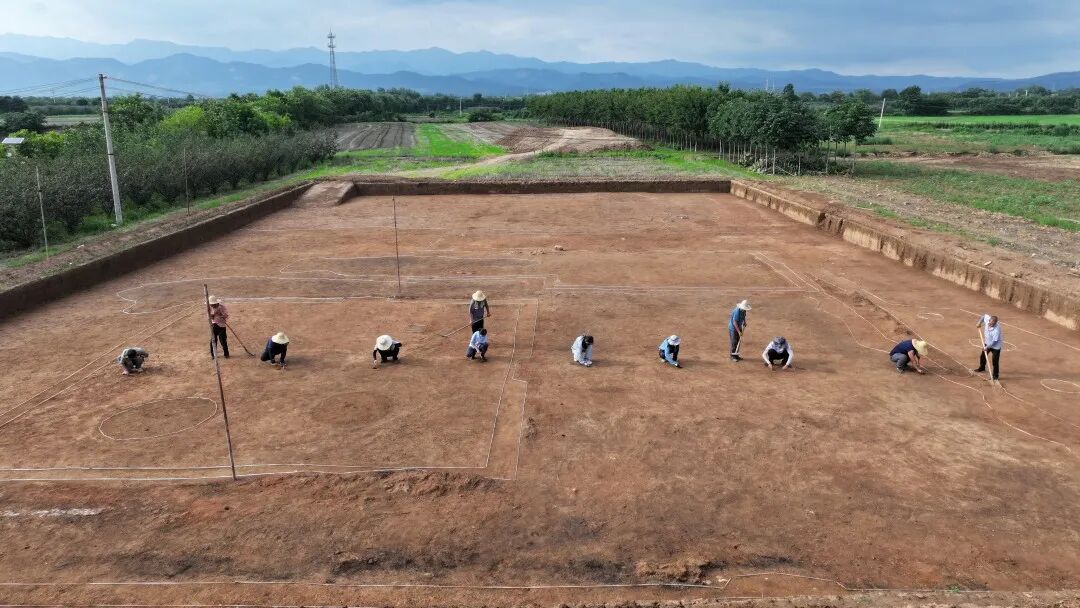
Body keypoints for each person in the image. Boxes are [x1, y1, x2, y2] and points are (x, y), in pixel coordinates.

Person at [974, 314, 1002, 381]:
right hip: (987, 343)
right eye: (990, 323)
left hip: (996, 346)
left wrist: (987, 347)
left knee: (995, 361)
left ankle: (995, 376)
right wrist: (979, 322)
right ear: (989, 320)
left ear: (996, 323)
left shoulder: (996, 330)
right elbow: (984, 316)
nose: (991, 324)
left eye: (993, 324)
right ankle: (982, 367)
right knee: (983, 356)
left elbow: (994, 342)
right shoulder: (987, 320)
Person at [207, 295, 230, 359]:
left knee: (223, 340)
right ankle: (213, 355)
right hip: (214, 325)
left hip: (221, 325)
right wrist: (212, 316)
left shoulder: (221, 307)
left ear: (216, 303)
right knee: (213, 341)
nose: (212, 305)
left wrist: (222, 315)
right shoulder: (209, 307)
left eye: (213, 304)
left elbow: (226, 315)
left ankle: (226, 354)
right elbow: (209, 316)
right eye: (211, 304)